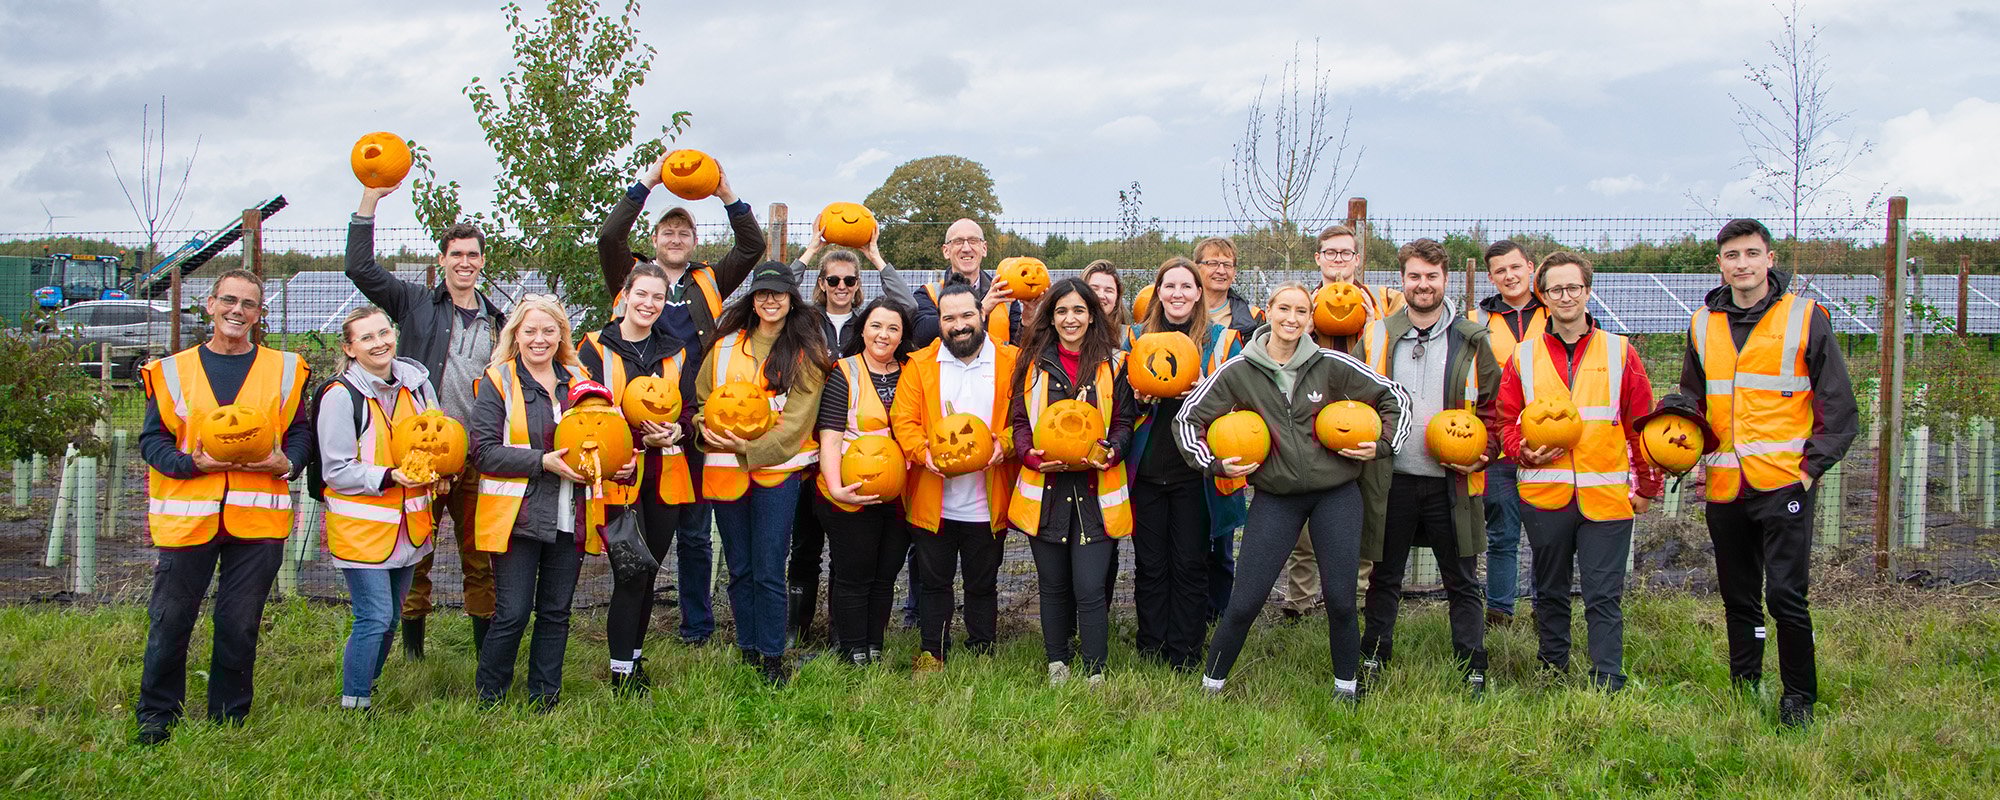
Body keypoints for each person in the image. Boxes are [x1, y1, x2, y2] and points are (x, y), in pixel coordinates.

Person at [1176, 283, 1407, 702]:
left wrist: (1383, 444)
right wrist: (1213, 463)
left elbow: (1392, 397)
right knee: (1245, 601)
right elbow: (1187, 418)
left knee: (1340, 600)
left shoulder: (1331, 364)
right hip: (1276, 497)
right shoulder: (1239, 371)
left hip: (1335, 494)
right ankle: (1211, 687)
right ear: (1269, 311)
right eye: (1284, 308)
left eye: (1301, 311)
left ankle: (1347, 688)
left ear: (1310, 318)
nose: (1292, 318)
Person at [1672, 218, 1858, 728]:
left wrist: (1811, 468)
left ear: (1769, 259)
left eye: (1752, 253)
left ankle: (1798, 695)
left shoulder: (1804, 318)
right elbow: (1694, 396)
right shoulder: (1702, 323)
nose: (1743, 264)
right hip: (1725, 484)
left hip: (1783, 483)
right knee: (1738, 593)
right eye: (1732, 255)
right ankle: (1745, 680)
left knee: (1784, 595)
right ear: (1720, 264)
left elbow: (1839, 407)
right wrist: (1675, 423)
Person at [134, 269, 312, 744]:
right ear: (210, 305)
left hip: (258, 518)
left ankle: (228, 715)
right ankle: (157, 716)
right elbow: (151, 439)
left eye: (249, 304)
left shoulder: (286, 369)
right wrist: (187, 463)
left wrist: (287, 462)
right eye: (229, 301)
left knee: (239, 621)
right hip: (187, 516)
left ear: (260, 314)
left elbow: (300, 433)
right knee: (171, 619)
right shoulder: (172, 370)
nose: (238, 310)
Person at [598, 151, 766, 649]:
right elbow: (608, 236)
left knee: (695, 530)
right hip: (633, 421)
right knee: (636, 529)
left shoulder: (710, 279)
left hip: (692, 419)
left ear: (694, 241)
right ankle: (631, 626)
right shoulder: (631, 279)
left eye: (684, 233)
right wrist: (649, 180)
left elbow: (753, 244)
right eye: (667, 232)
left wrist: (724, 192)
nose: (675, 239)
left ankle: (696, 627)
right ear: (654, 240)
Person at [347, 184, 506, 660]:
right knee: (416, 554)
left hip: (478, 454)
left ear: (481, 262)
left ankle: (484, 653)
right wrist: (370, 200)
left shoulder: (499, 321)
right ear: (442, 260)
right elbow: (360, 268)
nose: (465, 262)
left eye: (473, 255)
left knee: (480, 559)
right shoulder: (415, 303)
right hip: (420, 454)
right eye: (456, 254)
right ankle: (412, 652)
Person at [1497, 252, 1662, 693]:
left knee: (1602, 592)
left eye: (1573, 288)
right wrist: (1522, 452)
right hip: (1545, 494)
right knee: (1548, 589)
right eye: (1555, 289)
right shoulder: (1523, 356)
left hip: (1605, 496)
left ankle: (1608, 675)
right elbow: (1505, 420)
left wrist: (1647, 485)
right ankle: (1552, 669)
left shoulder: (1620, 351)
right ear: (1543, 296)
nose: (1565, 296)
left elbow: (1641, 424)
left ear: (1587, 292)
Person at [1352, 239, 1502, 697]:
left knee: (1461, 577)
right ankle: (1374, 654)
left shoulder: (1473, 340)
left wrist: (1488, 448)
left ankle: (1471, 663)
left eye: (1431, 277)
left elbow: (1496, 409)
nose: (1423, 285)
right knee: (1385, 574)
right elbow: (1354, 401)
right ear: (1402, 281)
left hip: (1452, 479)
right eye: (1414, 276)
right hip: (1392, 477)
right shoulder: (1377, 335)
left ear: (1445, 280)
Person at [695, 262, 830, 686]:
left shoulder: (805, 354)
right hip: (724, 471)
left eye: (779, 294)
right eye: (762, 293)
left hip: (776, 473)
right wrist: (704, 428)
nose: (770, 301)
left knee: (770, 566)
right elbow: (702, 402)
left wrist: (750, 449)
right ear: (752, 300)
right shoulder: (723, 347)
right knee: (739, 567)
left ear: (792, 300)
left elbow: (797, 424)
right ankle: (748, 649)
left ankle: (773, 656)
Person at [786, 224, 917, 648]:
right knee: (806, 549)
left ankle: (851, 638)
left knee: (856, 563)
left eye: (849, 280)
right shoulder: (804, 321)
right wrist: (808, 252)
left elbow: (908, 308)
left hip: (875, 466)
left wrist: (878, 257)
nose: (841, 286)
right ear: (821, 285)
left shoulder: (878, 328)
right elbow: (773, 294)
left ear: (859, 285)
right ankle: (798, 631)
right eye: (833, 280)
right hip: (814, 452)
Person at [1008, 278, 1137, 685]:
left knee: (1089, 585)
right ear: (1051, 316)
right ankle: (1057, 663)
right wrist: (1029, 454)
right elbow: (1019, 421)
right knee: (1053, 584)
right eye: (1061, 311)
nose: (1070, 318)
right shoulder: (1031, 363)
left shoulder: (1115, 363)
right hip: (1046, 488)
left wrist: (1111, 451)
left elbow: (1123, 422)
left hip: (1096, 490)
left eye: (1079, 310)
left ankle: (1096, 669)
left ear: (1092, 315)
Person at [470, 296, 596, 711]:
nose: (539, 339)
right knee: (513, 611)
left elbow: (601, 434)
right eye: (530, 331)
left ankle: (545, 696)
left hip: (569, 512)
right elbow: (483, 452)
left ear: (561, 334)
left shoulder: (581, 380)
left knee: (557, 611)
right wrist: (541, 462)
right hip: (517, 516)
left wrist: (617, 461)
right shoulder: (498, 381)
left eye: (548, 330)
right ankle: (490, 694)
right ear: (516, 335)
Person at [578, 262, 697, 694]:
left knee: (649, 570)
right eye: (641, 294)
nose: (649, 304)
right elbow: (582, 412)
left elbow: (684, 406)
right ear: (625, 295)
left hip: (665, 473)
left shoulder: (675, 350)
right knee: (629, 570)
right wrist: (627, 444)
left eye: (658, 297)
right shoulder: (595, 347)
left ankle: (632, 656)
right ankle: (620, 673)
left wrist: (678, 429)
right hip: (620, 474)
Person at [1280, 224, 1409, 622]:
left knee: (1362, 512)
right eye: (1330, 253)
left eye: (1346, 253)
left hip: (1362, 419)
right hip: (1309, 419)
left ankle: (1354, 599)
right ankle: (1299, 602)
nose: (1338, 261)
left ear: (1357, 259)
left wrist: (1372, 323)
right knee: (1304, 518)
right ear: (1318, 258)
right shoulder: (1302, 304)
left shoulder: (1384, 302)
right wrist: (1308, 330)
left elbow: (1399, 345)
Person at [891, 283, 1021, 671]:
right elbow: (904, 419)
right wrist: (922, 452)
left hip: (987, 497)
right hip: (936, 498)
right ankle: (934, 650)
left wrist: (1006, 445)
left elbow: (1025, 417)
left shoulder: (1011, 361)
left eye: (966, 316)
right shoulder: (921, 365)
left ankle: (983, 649)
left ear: (981, 315)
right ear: (940, 323)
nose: (959, 325)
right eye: (949, 318)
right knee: (934, 582)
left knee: (983, 582)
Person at [317, 306, 440, 712]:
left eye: (384, 332)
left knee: (389, 619)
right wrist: (389, 477)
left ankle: (365, 683)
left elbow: (438, 439)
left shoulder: (417, 386)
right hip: (363, 528)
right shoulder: (341, 396)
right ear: (350, 348)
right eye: (366, 338)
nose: (379, 343)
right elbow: (336, 470)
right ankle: (355, 704)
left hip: (409, 526)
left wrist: (441, 473)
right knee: (374, 617)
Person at [1126, 257, 1245, 670]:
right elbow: (1118, 406)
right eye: (1169, 286)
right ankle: (1152, 644)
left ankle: (1185, 650)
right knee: (1150, 562)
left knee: (1191, 562)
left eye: (1186, 286)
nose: (1178, 293)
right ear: (1157, 292)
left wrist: (1206, 393)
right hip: (1147, 469)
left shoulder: (1223, 341)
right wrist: (1138, 400)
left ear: (1199, 293)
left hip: (1195, 472)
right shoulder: (1136, 338)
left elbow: (1242, 403)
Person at [813, 297, 918, 666]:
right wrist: (836, 486)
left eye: (893, 328)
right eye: (876, 326)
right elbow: (829, 435)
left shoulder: (912, 371)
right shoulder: (845, 371)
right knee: (854, 573)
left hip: (899, 492)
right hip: (850, 489)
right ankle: (851, 649)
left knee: (885, 572)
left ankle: (874, 645)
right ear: (863, 330)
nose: (883, 335)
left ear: (903, 335)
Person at [1471, 239, 1546, 629]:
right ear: (1491, 277)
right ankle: (1500, 612)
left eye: (1515, 268)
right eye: (1500, 271)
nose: (1510, 276)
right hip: (1500, 439)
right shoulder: (1479, 322)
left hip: (1550, 437)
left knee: (1548, 533)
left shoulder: (1556, 312)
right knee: (1502, 531)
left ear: (1530, 267)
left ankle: (1545, 607)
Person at [911, 218, 1022, 346]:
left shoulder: (1005, 294)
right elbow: (922, 335)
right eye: (958, 242)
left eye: (973, 241)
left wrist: (1028, 319)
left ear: (984, 248)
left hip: (997, 366)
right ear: (946, 251)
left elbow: (1020, 347)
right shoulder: (928, 294)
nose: (966, 248)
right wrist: (980, 310)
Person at [1192, 236, 1263, 339]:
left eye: (1227, 265)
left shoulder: (1253, 317)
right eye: (1213, 263)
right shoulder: (1179, 312)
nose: (1221, 271)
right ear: (1196, 268)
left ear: (1234, 272)